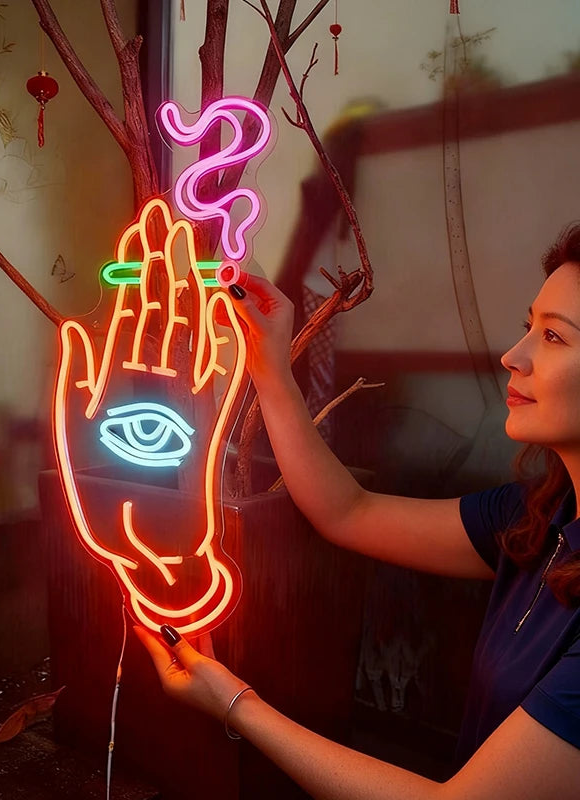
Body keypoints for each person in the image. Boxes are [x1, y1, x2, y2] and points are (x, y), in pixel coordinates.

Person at [135, 223, 580, 798]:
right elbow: (348, 512)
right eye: (528, 327)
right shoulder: (537, 517)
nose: (512, 356)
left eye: (554, 337)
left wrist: (234, 704)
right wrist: (269, 363)